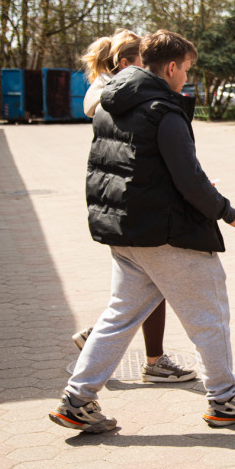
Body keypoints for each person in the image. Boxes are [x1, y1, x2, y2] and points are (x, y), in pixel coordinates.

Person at [48, 29, 235, 432]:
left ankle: (77, 400)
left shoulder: (108, 104)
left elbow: (130, 170)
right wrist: (227, 211)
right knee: (210, 316)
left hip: (124, 232)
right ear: (170, 67)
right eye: (185, 69)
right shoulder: (164, 110)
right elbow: (188, 178)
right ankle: (224, 400)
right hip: (166, 234)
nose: (187, 77)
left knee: (118, 317)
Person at [72, 30, 196, 384]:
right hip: (137, 207)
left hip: (121, 204)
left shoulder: (115, 94)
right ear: (127, 64)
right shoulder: (123, 96)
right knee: (149, 291)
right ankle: (148, 360)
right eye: (145, 63)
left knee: (139, 291)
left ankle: (90, 378)